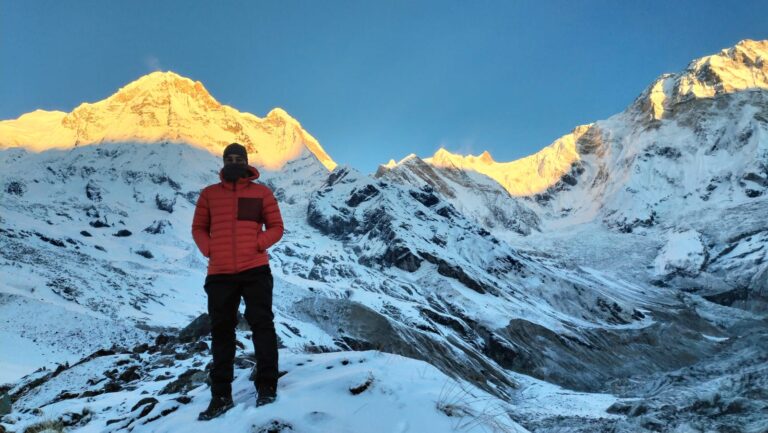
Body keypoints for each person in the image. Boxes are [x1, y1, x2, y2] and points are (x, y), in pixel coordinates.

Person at [191, 142, 285, 420]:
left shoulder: (261, 193)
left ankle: (267, 386)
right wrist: (210, 249)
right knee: (222, 333)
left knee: (262, 326)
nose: (233, 162)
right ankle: (221, 397)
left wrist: (258, 243)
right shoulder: (209, 194)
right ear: (223, 163)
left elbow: (277, 227)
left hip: (255, 269)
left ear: (246, 162)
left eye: (238, 158)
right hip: (219, 273)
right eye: (228, 158)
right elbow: (198, 228)